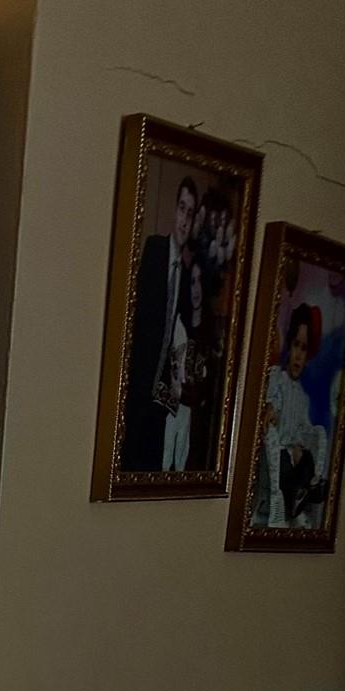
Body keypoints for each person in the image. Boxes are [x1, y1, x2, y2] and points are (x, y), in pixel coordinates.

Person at [122, 173, 199, 469]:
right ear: (174, 210)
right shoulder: (155, 249)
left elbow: (182, 332)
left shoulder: (186, 271)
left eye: (190, 214)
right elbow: (138, 315)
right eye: (182, 209)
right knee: (128, 457)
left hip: (160, 393)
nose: (184, 220)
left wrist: (180, 378)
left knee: (151, 463)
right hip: (137, 381)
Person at [256, 303, 328, 529]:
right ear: (289, 345)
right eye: (296, 345)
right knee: (286, 461)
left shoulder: (301, 396)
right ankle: (299, 493)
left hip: (291, 455)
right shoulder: (277, 378)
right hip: (274, 456)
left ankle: (308, 488)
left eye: (304, 349)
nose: (298, 355)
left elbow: (303, 428)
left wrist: (300, 446)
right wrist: (270, 409)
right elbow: (272, 407)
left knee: (305, 456)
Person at [161, 258, 207, 471]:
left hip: (193, 411)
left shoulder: (208, 330)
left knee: (183, 455)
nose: (196, 289)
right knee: (168, 454)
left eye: (200, 281)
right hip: (173, 406)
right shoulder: (178, 324)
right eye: (192, 282)